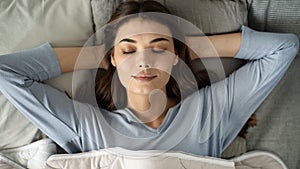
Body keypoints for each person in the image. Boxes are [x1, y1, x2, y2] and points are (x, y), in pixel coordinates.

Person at [0, 0, 298, 157]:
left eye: (158, 48)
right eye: (129, 50)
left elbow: (285, 47)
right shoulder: (87, 126)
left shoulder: (210, 113)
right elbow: (6, 73)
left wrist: (189, 49)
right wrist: (99, 55)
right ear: (113, 59)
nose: (143, 61)